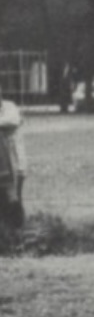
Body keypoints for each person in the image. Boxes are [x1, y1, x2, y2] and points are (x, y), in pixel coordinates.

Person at [0, 88, 26, 231]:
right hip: (3, 166)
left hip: (16, 164)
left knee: (14, 198)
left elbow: (13, 121)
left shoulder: (10, 107)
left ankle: (18, 231)